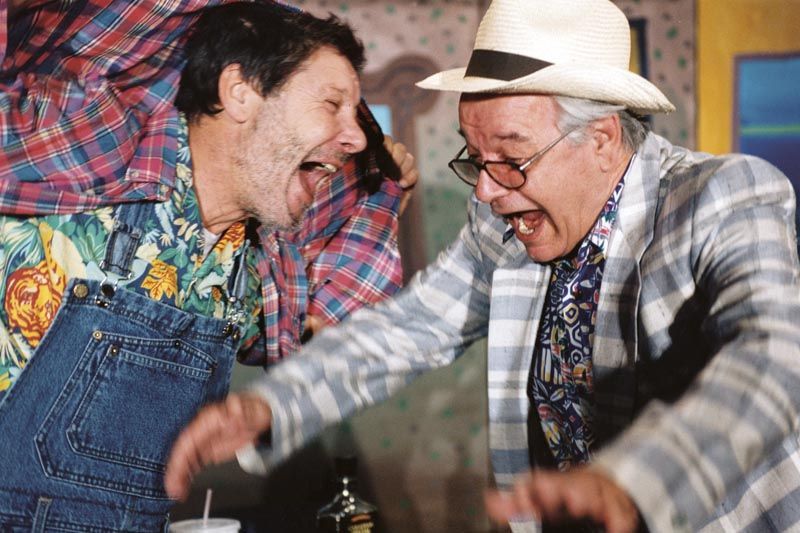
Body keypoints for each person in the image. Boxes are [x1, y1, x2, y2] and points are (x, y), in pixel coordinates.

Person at [164, 0, 800, 531]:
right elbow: (412, 327)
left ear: (602, 139)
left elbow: (772, 358)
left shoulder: (723, 196)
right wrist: (271, 407)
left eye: (513, 159)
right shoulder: (504, 222)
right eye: (476, 158)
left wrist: (631, 482)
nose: (489, 191)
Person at [0, 1, 416, 530]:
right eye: (332, 103)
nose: (354, 134)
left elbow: (324, 346)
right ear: (239, 91)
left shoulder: (261, 265)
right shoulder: (96, 140)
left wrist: (384, 190)